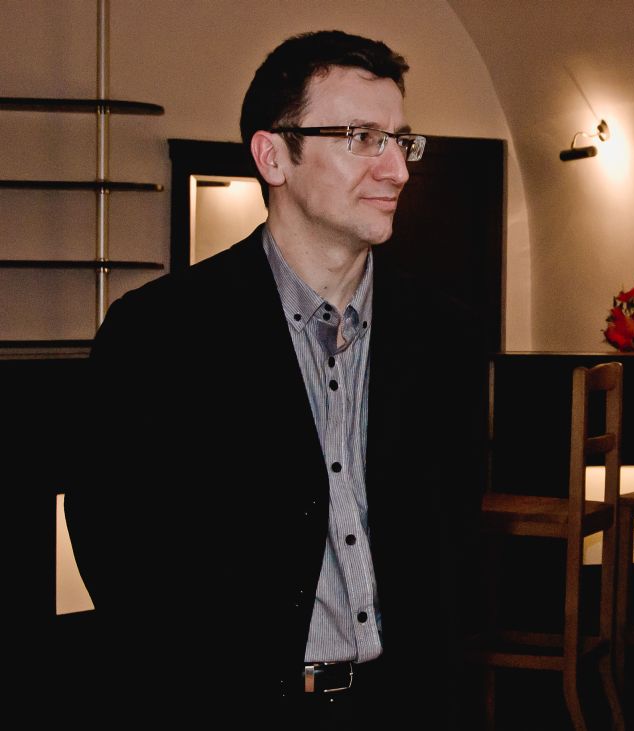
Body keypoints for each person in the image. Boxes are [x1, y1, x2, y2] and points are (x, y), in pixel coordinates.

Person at [65, 30, 485, 722]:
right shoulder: (159, 333)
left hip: (407, 704)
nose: (397, 170)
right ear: (273, 156)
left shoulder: (447, 336)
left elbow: (454, 537)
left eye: (401, 141)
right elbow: (114, 543)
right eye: (361, 138)